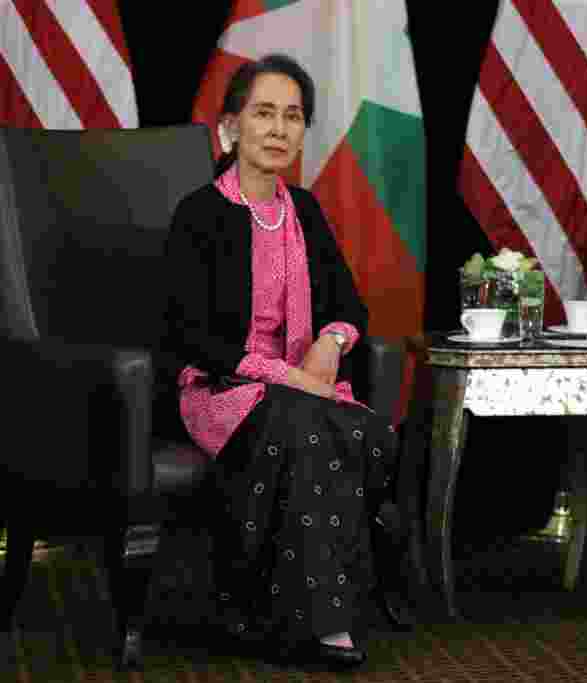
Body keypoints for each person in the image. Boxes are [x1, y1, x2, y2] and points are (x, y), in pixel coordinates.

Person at [161, 53, 397, 668]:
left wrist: (333, 341)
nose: (278, 129)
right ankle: (320, 624)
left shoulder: (307, 211)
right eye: (263, 113)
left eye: (292, 116)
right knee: (305, 429)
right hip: (220, 390)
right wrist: (288, 375)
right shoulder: (201, 214)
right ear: (232, 127)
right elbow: (191, 337)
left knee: (364, 430)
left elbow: (350, 307)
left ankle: (266, 609)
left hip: (301, 391)